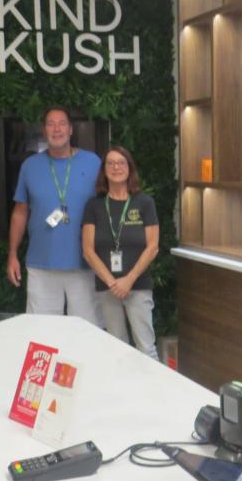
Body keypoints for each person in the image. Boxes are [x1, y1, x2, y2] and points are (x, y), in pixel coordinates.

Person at [7, 107, 102, 325]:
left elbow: (108, 207)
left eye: (61, 123)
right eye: (51, 123)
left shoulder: (93, 162)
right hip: (41, 265)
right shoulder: (30, 166)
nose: (56, 128)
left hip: (85, 264)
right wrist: (12, 254)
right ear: (44, 130)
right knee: (43, 335)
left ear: (70, 129)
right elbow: (20, 212)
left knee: (88, 333)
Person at [82, 146, 160, 359]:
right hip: (108, 289)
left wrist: (129, 279)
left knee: (146, 348)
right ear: (104, 170)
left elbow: (152, 246)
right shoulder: (94, 206)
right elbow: (88, 251)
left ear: (129, 168)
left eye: (121, 163)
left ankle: (153, 392)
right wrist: (112, 282)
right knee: (117, 349)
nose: (116, 167)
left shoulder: (144, 203)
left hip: (138, 285)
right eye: (111, 163)